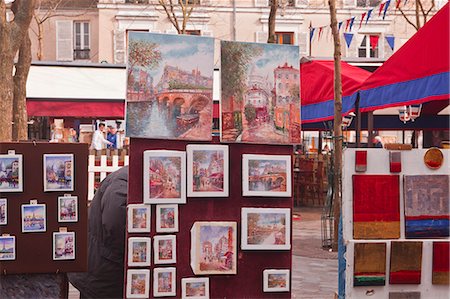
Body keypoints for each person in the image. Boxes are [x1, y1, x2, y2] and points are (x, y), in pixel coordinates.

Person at [68, 166, 128, 299]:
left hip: (102, 268)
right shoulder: (125, 179)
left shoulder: (124, 178)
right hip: (104, 271)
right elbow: (114, 223)